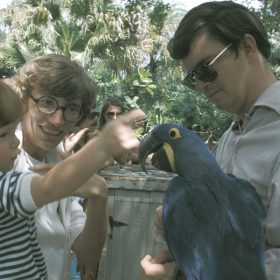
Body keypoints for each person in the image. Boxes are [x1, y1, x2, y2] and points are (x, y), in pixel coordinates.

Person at [141, 1, 280, 279]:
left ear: (247, 48)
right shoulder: (229, 139)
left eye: (206, 68)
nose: (201, 85)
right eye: (192, 78)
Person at [10, 53, 145, 280]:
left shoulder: (58, 161)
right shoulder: (7, 156)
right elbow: (38, 190)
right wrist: (104, 144)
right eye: (47, 102)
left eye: (71, 108)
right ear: (24, 101)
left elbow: (87, 256)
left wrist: (99, 194)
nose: (58, 120)